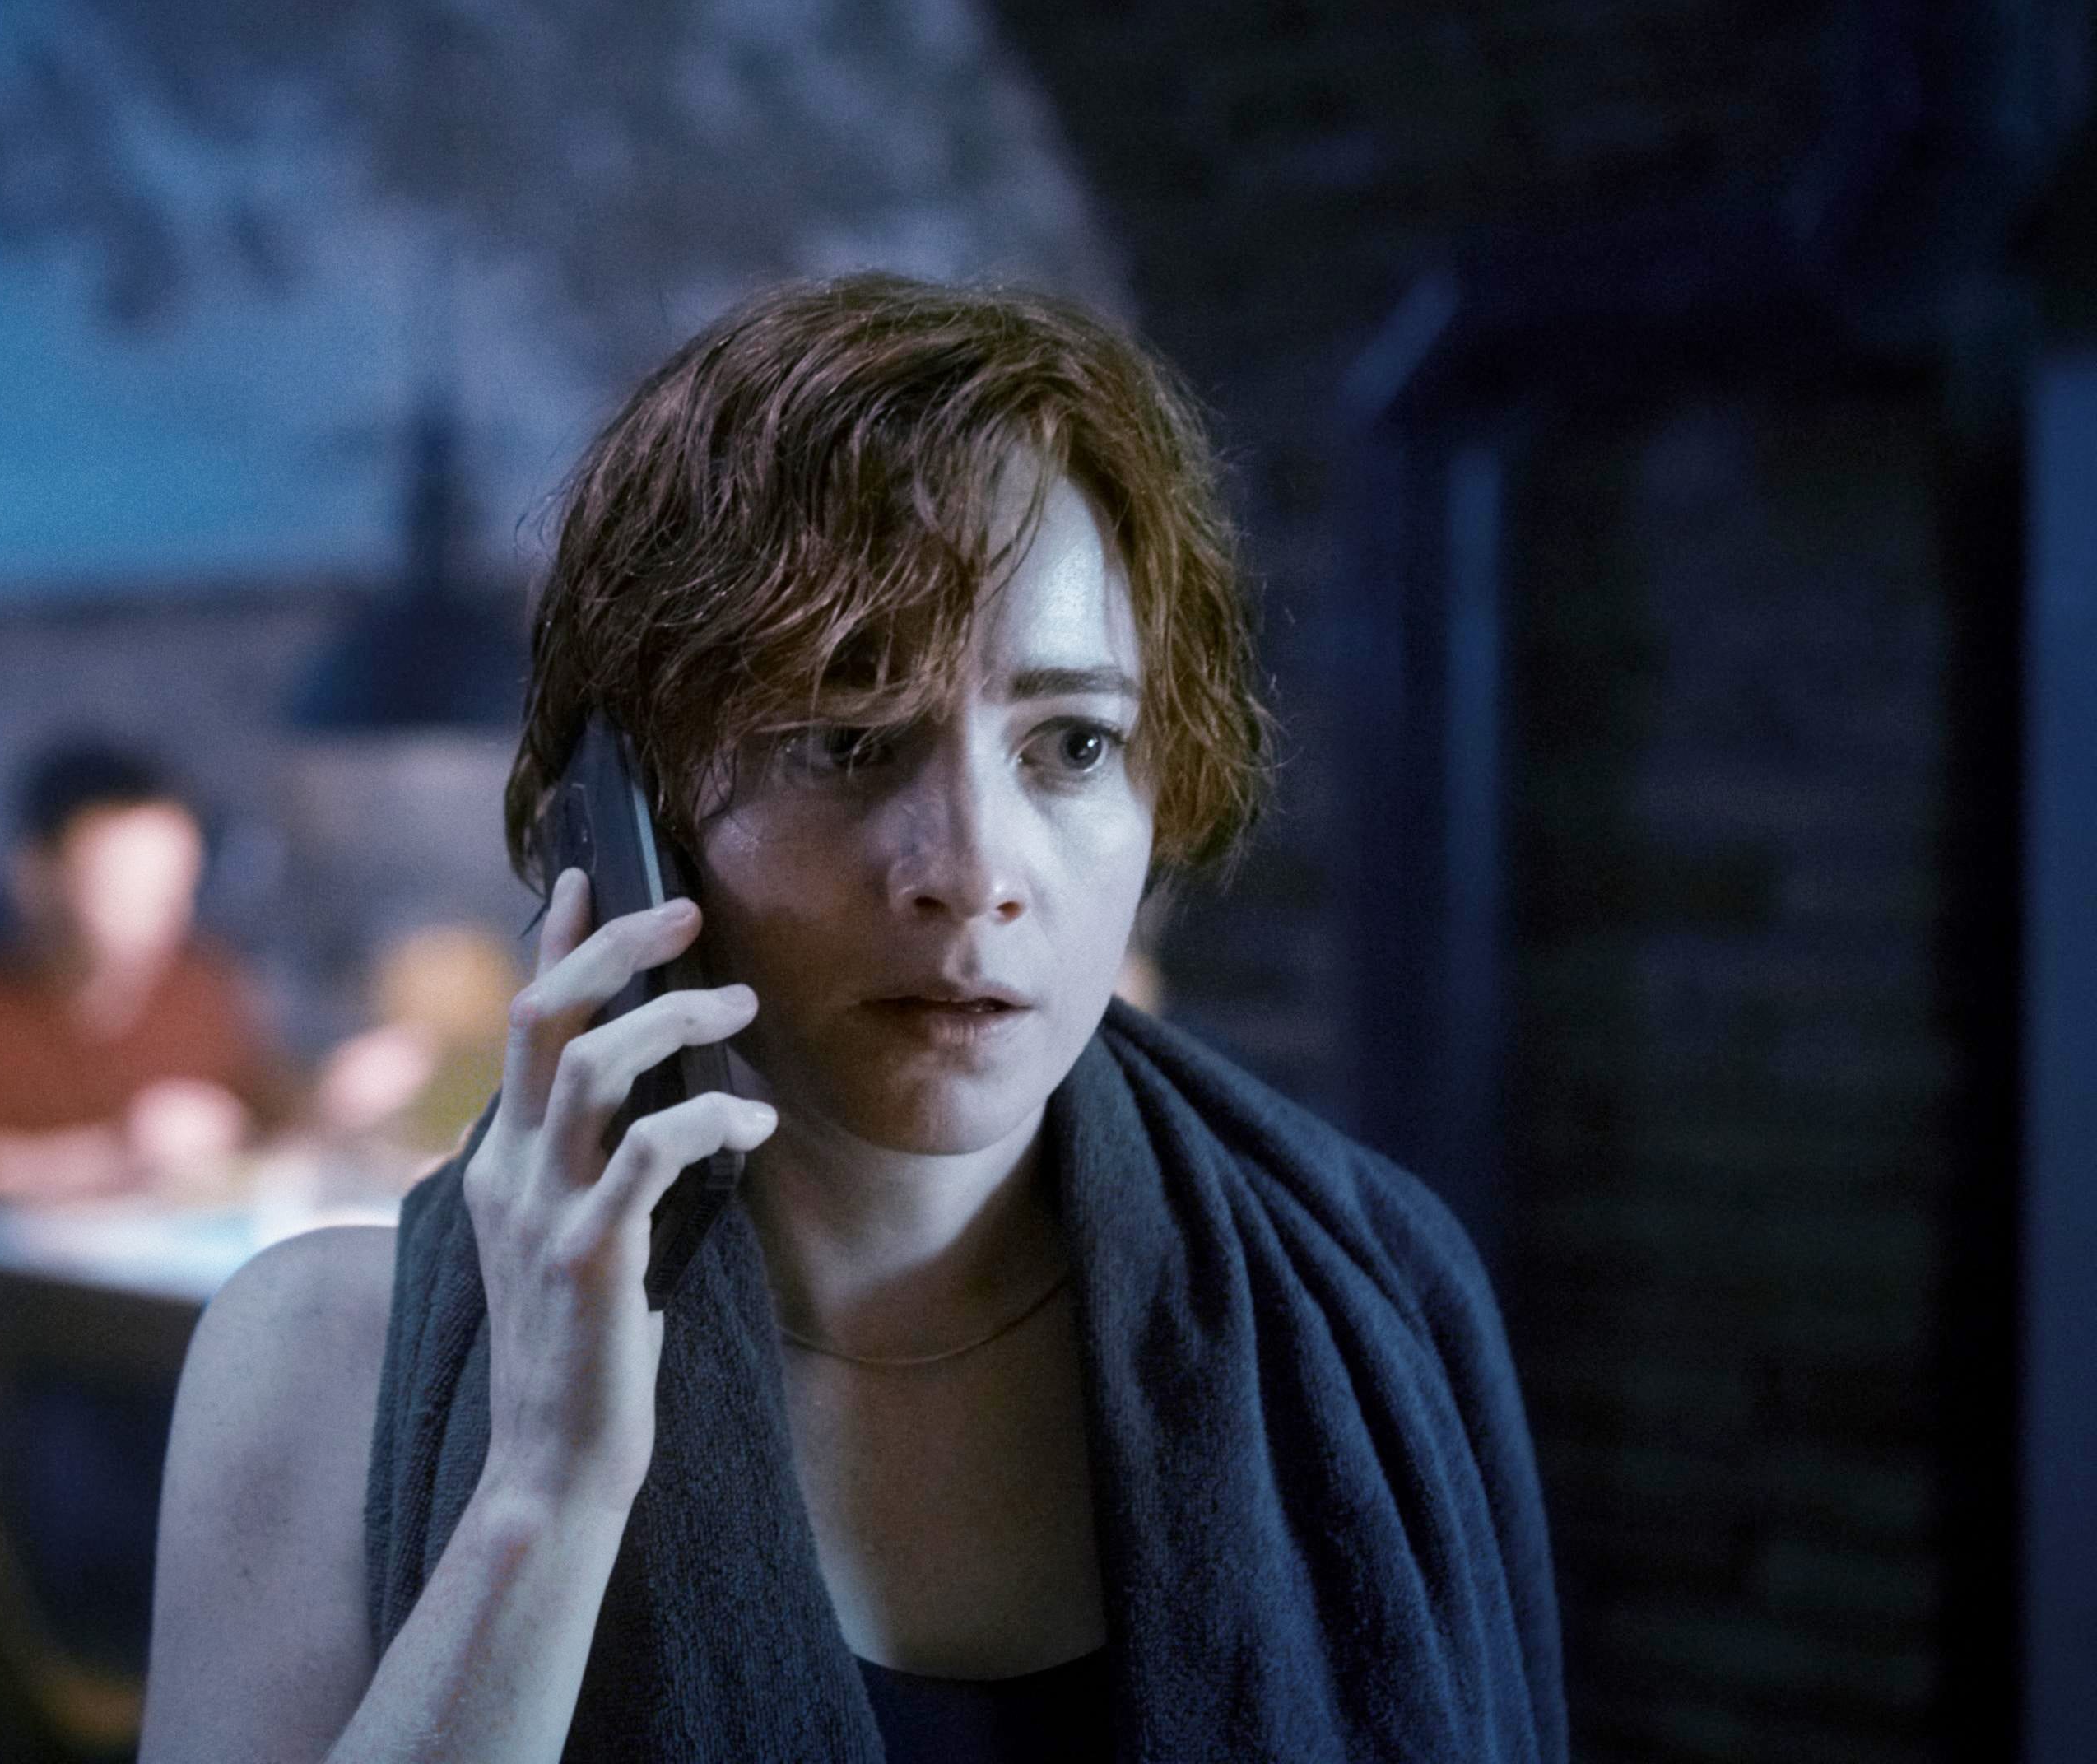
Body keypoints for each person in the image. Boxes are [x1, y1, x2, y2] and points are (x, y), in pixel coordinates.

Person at [143, 277, 1565, 1761]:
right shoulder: (321, 1356)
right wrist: (540, 1495)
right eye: (844, 739)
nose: (970, 870)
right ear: (627, 818)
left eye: (1074, 745)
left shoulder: (1374, 1285)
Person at [0, 740, 286, 1201]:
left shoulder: (201, 984)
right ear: (36, 876)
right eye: (128, 886)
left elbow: (264, 1112)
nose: (163, 915)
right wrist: (120, 1152)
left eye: (176, 889)